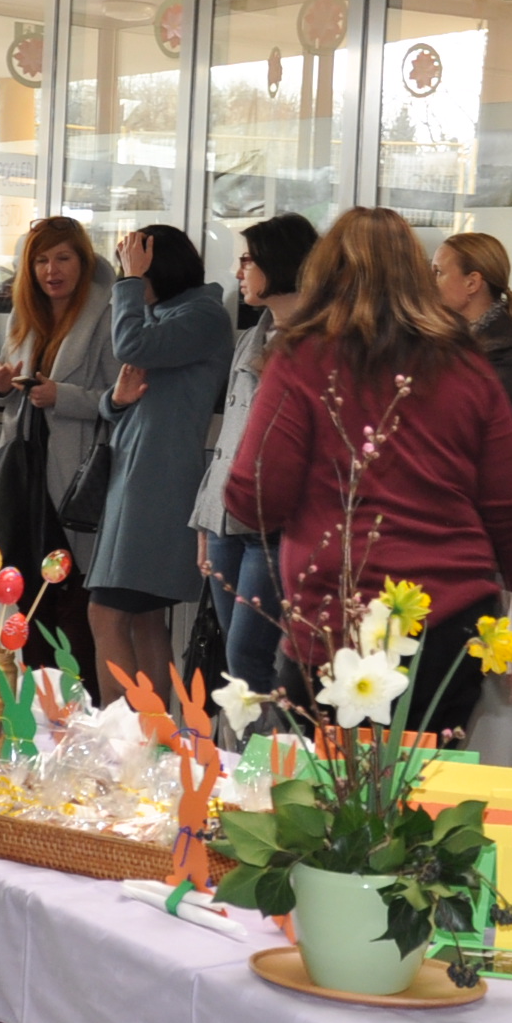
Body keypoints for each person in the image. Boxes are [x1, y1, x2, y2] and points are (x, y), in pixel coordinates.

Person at [226, 206, 512, 733]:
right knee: (421, 780)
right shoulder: (467, 363)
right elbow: (508, 504)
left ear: (325, 274)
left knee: (329, 782)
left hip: (337, 620)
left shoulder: (303, 359)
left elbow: (256, 496)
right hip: (449, 620)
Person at [89, 224, 236, 695]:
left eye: (135, 268)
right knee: (145, 617)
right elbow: (128, 394)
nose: (127, 278)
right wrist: (115, 401)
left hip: (159, 482)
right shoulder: (161, 314)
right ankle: (151, 732)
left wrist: (130, 283)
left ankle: (119, 729)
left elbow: (131, 347)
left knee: (107, 612)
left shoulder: (204, 316)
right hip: (134, 474)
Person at [192, 213, 318, 693]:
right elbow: (230, 436)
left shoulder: (317, 343)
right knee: (237, 663)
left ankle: (270, 744)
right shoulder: (252, 336)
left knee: (250, 659)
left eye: (247, 260)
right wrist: (205, 519)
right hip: (226, 519)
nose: (238, 271)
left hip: (275, 526)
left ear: (278, 263)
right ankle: (252, 742)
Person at [0, 216, 117, 668]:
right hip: (23, 476)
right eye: (40, 260)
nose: (51, 270)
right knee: (26, 599)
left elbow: (121, 399)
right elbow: (4, 394)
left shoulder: (106, 314)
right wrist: (3, 386)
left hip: (74, 478)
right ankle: (35, 697)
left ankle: (76, 699)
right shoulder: (25, 314)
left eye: (63, 258)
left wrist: (64, 396)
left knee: (72, 605)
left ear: (83, 263)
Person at [434, 230, 512, 408]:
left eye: (438, 272)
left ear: (472, 283)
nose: (430, 282)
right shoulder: (450, 338)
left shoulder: (504, 356)